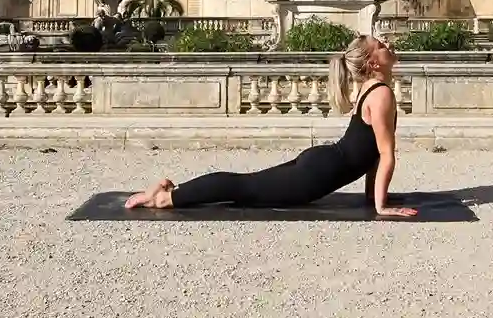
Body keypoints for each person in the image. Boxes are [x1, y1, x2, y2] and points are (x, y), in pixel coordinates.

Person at [124, 34, 418, 217]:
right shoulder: (380, 95)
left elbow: (373, 155)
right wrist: (381, 206)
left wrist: (372, 196)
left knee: (245, 184)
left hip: (320, 164)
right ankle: (166, 197)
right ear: (373, 63)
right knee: (243, 187)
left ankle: (172, 190)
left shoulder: (372, 89)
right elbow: (385, 154)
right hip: (313, 176)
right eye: (381, 46)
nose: (388, 45)